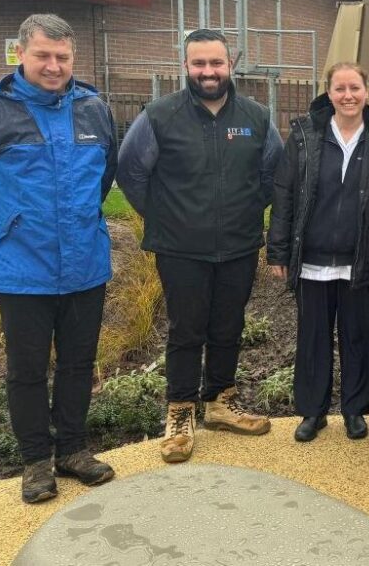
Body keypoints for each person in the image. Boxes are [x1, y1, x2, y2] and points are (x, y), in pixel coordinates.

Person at [0, 13, 116, 503]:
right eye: (42, 55)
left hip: (85, 263)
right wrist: (3, 230)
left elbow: (104, 178)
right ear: (20, 53)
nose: (53, 65)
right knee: (26, 370)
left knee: (77, 362)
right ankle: (36, 461)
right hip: (22, 268)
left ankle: (71, 449)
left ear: (73, 58)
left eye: (62, 57)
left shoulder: (95, 110)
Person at [117, 29, 282, 464]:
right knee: (186, 330)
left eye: (216, 63)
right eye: (199, 64)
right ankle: (180, 412)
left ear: (231, 64)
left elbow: (272, 177)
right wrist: (166, 216)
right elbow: (131, 173)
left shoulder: (257, 118)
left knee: (229, 326)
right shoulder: (158, 115)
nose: (208, 72)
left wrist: (246, 210)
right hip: (180, 249)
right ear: (186, 66)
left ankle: (220, 402)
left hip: (239, 245)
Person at [266, 62, 369, 443]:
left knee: (358, 335)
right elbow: (285, 192)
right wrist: (277, 250)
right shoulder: (305, 135)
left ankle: (356, 410)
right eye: (340, 88)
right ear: (329, 93)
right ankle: (313, 410)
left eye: (354, 88)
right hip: (311, 259)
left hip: (361, 258)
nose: (348, 95)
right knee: (312, 337)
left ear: (366, 92)